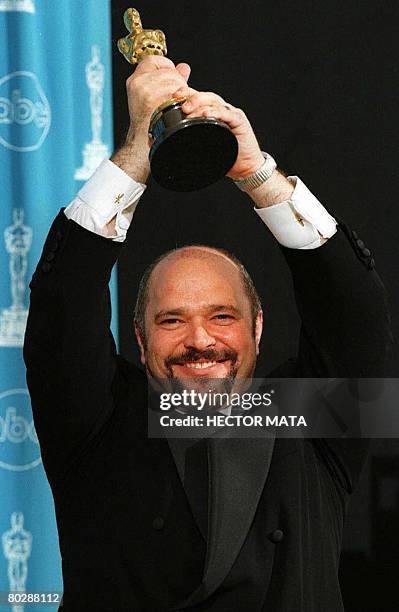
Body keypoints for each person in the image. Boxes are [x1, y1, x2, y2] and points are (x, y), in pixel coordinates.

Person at [24, 56, 392, 611]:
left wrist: (255, 172)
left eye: (222, 316)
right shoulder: (97, 420)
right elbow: (62, 306)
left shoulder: (311, 418)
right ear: (141, 338)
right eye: (171, 320)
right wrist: (134, 156)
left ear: (257, 327)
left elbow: (355, 313)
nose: (200, 339)